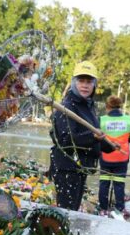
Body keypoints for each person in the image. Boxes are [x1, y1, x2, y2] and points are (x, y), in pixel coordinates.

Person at [49, 61, 115, 211]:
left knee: (72, 211)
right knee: (66, 212)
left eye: (89, 81)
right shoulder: (67, 106)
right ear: (74, 82)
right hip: (66, 168)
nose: (85, 85)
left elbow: (94, 139)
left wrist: (109, 145)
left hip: (79, 169)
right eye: (81, 81)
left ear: (94, 84)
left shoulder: (89, 106)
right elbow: (66, 140)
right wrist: (93, 137)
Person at [98, 95, 130, 215]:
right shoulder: (129, 119)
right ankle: (120, 209)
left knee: (104, 183)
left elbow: (97, 138)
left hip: (105, 157)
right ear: (120, 107)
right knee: (119, 184)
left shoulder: (101, 119)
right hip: (122, 157)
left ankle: (103, 209)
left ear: (107, 107)